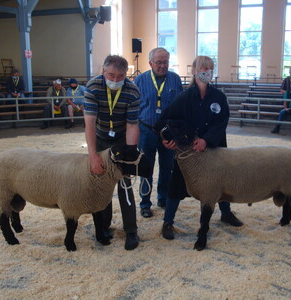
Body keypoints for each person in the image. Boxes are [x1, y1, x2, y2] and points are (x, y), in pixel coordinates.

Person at [154, 56, 243, 241]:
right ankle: (168, 221)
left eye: (210, 68)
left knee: (221, 182)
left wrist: (206, 140)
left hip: (214, 149)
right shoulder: (184, 98)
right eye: (203, 68)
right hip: (188, 153)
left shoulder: (219, 97)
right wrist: (167, 139)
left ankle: (225, 213)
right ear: (194, 71)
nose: (207, 71)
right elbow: (164, 121)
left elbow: (221, 123)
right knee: (176, 183)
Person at [84, 55, 141, 250]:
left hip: (122, 137)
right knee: (101, 182)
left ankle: (131, 230)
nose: (115, 80)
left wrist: (130, 155)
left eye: (120, 76)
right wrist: (93, 156)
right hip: (100, 136)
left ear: (127, 74)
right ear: (103, 71)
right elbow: (89, 124)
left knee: (125, 182)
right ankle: (103, 226)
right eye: (111, 75)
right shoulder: (92, 87)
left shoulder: (133, 91)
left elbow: (133, 125)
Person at [134, 47, 184, 218]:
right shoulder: (139, 80)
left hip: (168, 133)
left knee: (167, 167)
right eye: (159, 62)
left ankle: (163, 198)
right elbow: (133, 107)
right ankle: (145, 203)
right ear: (150, 63)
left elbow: (180, 108)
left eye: (166, 62)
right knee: (145, 169)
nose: (163, 65)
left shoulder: (175, 79)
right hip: (146, 131)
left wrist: (177, 134)